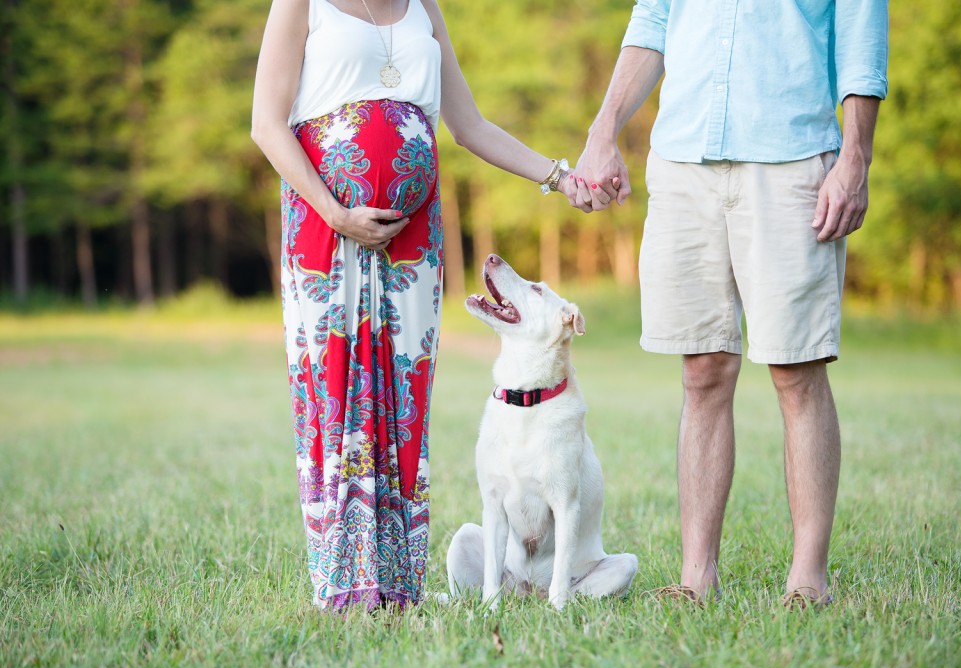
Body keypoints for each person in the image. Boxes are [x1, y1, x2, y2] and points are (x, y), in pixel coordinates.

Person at [251, 0, 575, 612]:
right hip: (327, 230)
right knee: (337, 394)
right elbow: (267, 124)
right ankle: (344, 585)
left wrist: (560, 176)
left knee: (404, 400)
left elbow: (470, 125)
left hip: (413, 239)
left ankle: (398, 586)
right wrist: (337, 213)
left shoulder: (424, 5)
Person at [571, 0, 888, 607]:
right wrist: (602, 132)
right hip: (683, 159)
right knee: (702, 371)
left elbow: (860, 38)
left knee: (797, 369)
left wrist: (856, 159)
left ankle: (808, 578)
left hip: (792, 159)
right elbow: (653, 24)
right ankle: (696, 579)